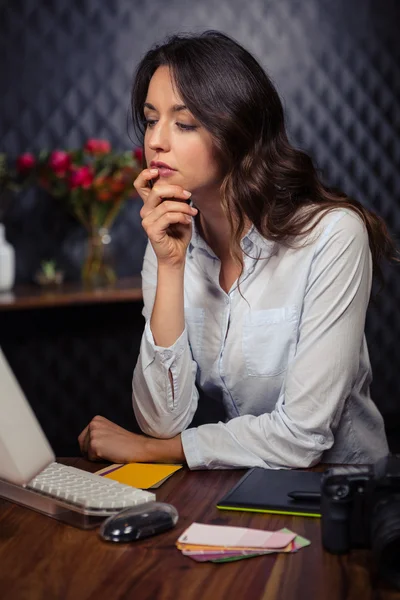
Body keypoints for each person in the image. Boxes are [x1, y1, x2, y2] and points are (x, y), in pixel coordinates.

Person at [79, 30, 397, 470]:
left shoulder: (332, 235)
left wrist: (153, 452)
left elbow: (303, 436)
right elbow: (161, 420)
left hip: (344, 494)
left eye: (184, 123)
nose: (156, 141)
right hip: (247, 489)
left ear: (237, 131)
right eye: (152, 119)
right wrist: (170, 267)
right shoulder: (169, 239)